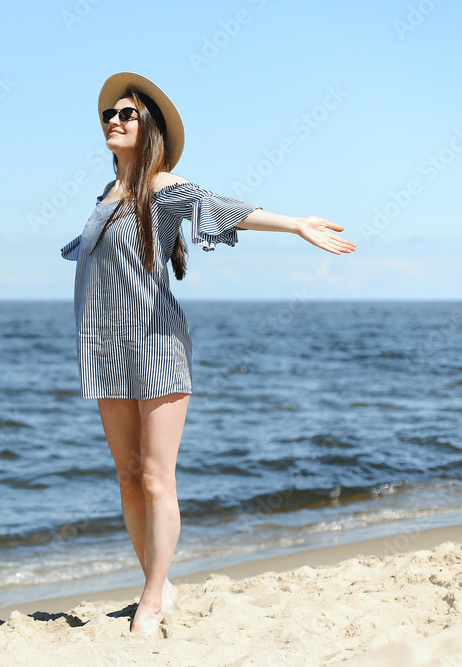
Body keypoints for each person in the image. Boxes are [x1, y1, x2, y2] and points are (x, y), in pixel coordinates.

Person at [59, 72, 357, 637]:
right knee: (126, 476)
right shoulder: (104, 197)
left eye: (126, 114)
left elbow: (225, 208)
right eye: (108, 116)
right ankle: (158, 581)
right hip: (102, 349)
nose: (114, 121)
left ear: (148, 127)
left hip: (157, 344)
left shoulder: (165, 186)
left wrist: (294, 224)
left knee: (154, 477)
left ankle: (150, 599)